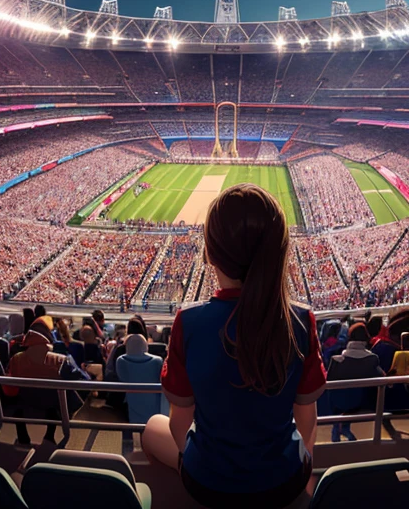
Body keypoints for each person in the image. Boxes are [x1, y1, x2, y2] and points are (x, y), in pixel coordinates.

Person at [142, 184, 326, 509]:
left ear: (210, 253)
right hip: (285, 479)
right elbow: (306, 416)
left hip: (209, 483)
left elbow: (178, 424)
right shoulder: (302, 319)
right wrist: (305, 464)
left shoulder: (189, 322)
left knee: (151, 429)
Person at [6, 316, 90, 446]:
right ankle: (50, 435)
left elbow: (10, 382)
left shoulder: (16, 359)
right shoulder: (61, 360)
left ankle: (22, 434)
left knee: (19, 405)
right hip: (53, 405)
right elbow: (84, 381)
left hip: (26, 402)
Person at [327, 322, 384, 443]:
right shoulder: (372, 359)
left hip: (338, 402)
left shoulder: (336, 360)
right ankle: (345, 428)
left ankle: (338, 428)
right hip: (361, 403)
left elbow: (328, 381)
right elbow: (382, 378)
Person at [116, 334, 168, 424]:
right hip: (154, 402)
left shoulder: (121, 361)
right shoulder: (157, 361)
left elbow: (122, 378)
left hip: (132, 400)